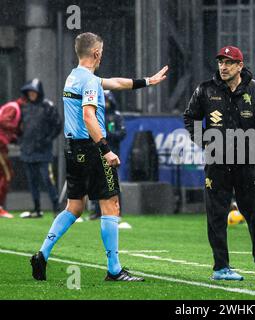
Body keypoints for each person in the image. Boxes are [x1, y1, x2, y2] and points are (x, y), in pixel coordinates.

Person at [30, 32, 168, 282]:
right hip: (92, 149)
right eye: (101, 52)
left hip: (72, 148)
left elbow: (114, 82)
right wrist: (106, 150)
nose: (102, 55)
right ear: (96, 53)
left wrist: (148, 81)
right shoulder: (90, 82)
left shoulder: (74, 77)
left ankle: (42, 254)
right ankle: (114, 269)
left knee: (74, 206)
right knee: (111, 205)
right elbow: (88, 117)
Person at [184, 45, 255, 281]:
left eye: (228, 62)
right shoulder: (205, 90)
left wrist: (253, 148)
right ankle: (221, 268)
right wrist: (204, 141)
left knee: (254, 215)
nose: (223, 67)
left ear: (240, 66)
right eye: (220, 62)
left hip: (246, 165)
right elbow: (190, 117)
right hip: (216, 163)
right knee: (216, 216)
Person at [18, 79, 62, 218]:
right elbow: (20, 127)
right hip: (28, 150)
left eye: (34, 92)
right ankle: (37, 209)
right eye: (29, 92)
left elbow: (58, 125)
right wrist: (20, 141)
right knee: (32, 181)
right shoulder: (25, 107)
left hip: (43, 151)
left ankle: (57, 208)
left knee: (47, 179)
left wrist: (47, 139)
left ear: (39, 92)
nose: (31, 94)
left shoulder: (47, 106)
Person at [89, 90, 126, 221]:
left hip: (113, 153)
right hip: (98, 154)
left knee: (113, 184)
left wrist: (108, 136)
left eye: (107, 100)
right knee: (97, 183)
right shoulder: (96, 116)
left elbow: (122, 133)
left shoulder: (116, 116)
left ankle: (117, 212)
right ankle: (97, 212)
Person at [0, 98, 23, 218]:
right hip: (0, 144)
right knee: (6, 174)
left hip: (2, 144)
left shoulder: (12, 106)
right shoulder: (14, 108)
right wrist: (17, 130)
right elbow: (3, 121)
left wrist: (14, 136)